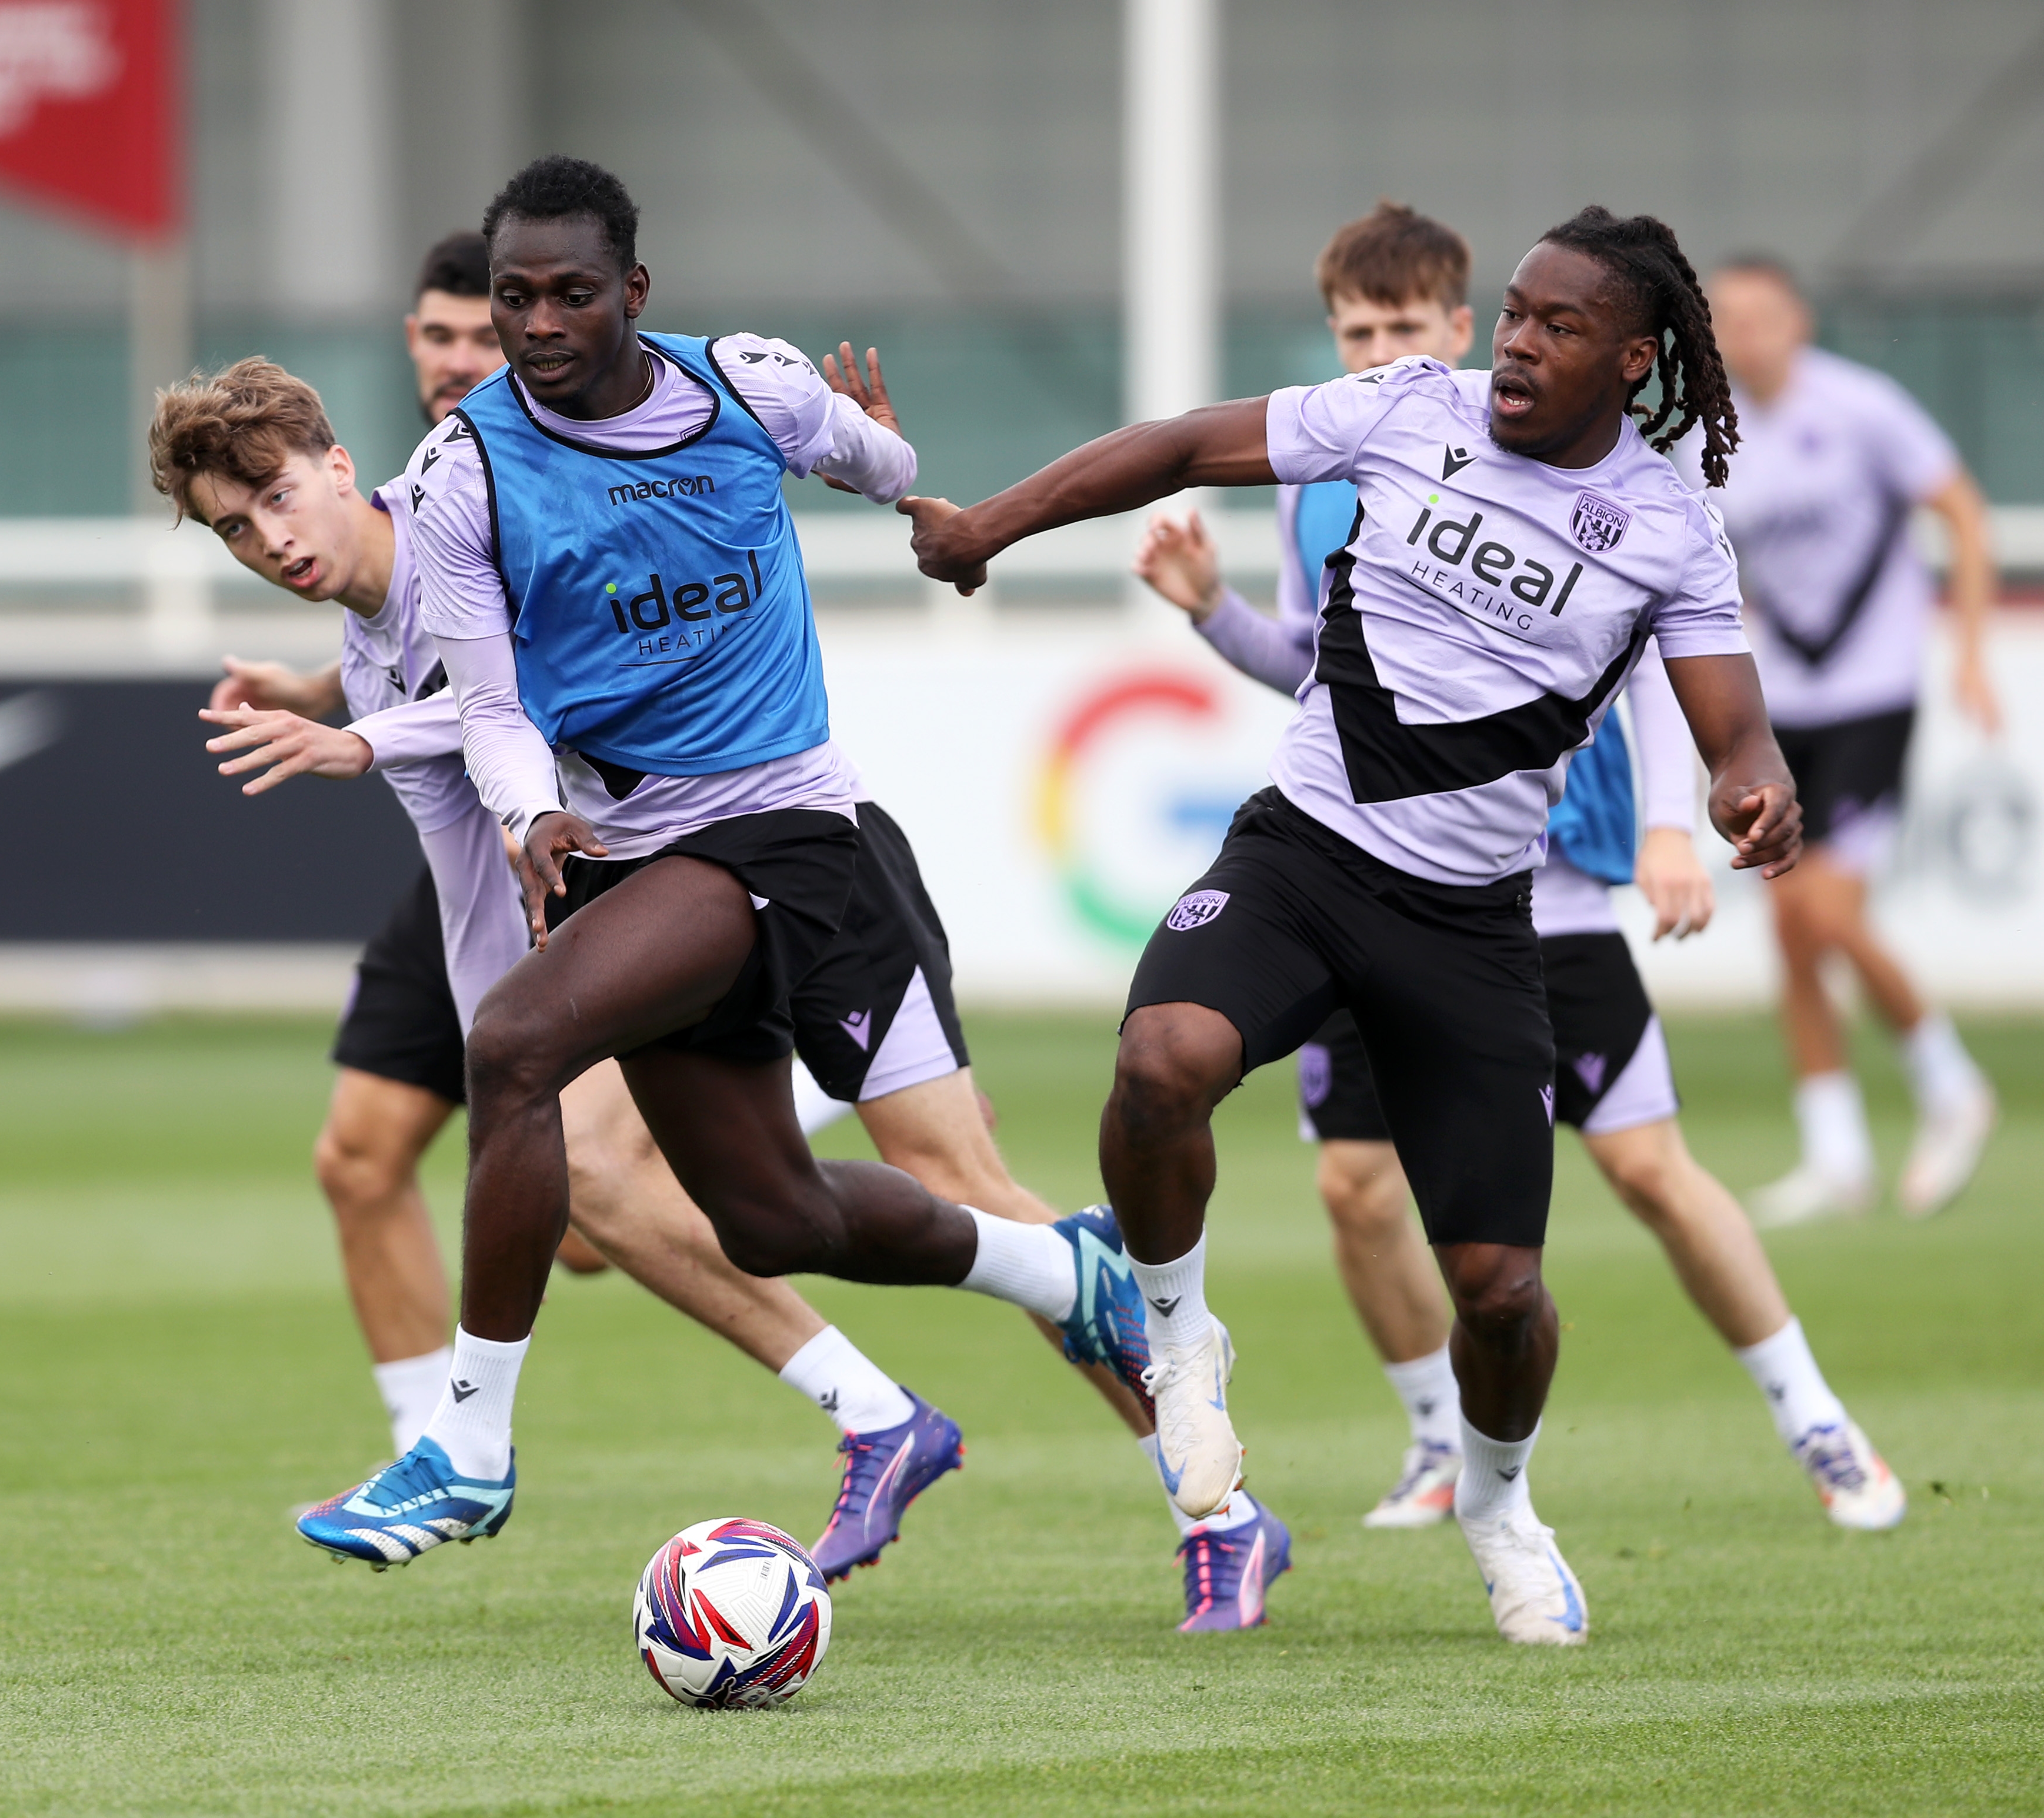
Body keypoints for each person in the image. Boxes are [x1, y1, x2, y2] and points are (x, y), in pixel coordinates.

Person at [164, 259, 1192, 1588]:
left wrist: (863, 454)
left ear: (338, 457)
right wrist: (506, 1061)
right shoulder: (371, 641)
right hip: (656, 873)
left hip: (799, 847)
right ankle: (907, 1391)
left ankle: (1206, 1498)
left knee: (961, 1180)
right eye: (236, 529)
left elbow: (535, 694)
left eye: (276, 498)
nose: (269, 538)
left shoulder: (481, 521)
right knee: (757, 1212)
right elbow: (473, 863)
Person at [911, 205, 1805, 1644]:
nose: (1516, 341)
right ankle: (1179, 1333)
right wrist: (991, 525)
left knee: (1504, 1296)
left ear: (1634, 361)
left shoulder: (1666, 526)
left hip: (1467, 930)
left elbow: (1734, 727)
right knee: (1157, 1067)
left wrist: (1756, 791)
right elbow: (1182, 444)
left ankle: (1501, 1503)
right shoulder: (1404, 408)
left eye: (1557, 325)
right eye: (1513, 311)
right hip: (1303, 860)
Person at [1138, 202, 1901, 1534]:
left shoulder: (1614, 496)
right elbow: (1318, 665)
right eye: (1350, 333)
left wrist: (1673, 824)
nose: (1375, 349)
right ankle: (1442, 1437)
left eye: (1397, 329)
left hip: (1533, 896)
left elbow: (1680, 682)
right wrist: (1213, 616)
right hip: (1351, 877)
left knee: (1651, 1169)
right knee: (1352, 1185)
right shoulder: (1346, 471)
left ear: (1447, 322)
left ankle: (1814, 1416)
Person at [1686, 257, 1999, 1225]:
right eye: (1727, 318)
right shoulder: (1708, 439)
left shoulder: (1864, 408)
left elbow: (1961, 511)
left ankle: (1949, 1084)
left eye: (1763, 315)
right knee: (1788, 924)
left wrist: (1971, 654)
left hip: (1871, 695)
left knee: (1823, 906)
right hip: (1781, 711)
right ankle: (1836, 1153)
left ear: (1798, 320)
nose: (1747, 333)